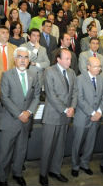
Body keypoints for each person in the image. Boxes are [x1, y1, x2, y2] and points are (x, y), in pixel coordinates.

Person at [0, 47, 40, 186]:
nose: (23, 60)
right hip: (11, 120)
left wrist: (29, 112)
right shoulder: (7, 75)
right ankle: (2, 178)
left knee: (21, 150)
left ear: (29, 60)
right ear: (15, 60)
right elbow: (5, 97)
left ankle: (17, 173)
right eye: (20, 57)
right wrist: (20, 114)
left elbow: (37, 96)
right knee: (6, 152)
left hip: (26, 121)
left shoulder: (33, 75)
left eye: (26, 57)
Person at [40, 49, 78, 186]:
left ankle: (55, 170)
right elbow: (51, 95)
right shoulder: (49, 71)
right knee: (47, 146)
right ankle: (43, 173)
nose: (70, 61)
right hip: (52, 115)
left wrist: (72, 107)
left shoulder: (72, 72)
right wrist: (65, 109)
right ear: (58, 59)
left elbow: (75, 92)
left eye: (70, 59)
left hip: (66, 116)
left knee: (60, 146)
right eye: (67, 59)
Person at [71, 57, 103, 177]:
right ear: (88, 67)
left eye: (100, 66)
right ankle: (75, 166)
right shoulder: (79, 79)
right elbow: (80, 99)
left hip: (96, 118)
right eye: (96, 66)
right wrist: (92, 113)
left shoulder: (101, 79)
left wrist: (99, 112)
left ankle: (85, 164)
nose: (99, 69)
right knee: (78, 143)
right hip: (82, 117)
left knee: (90, 143)